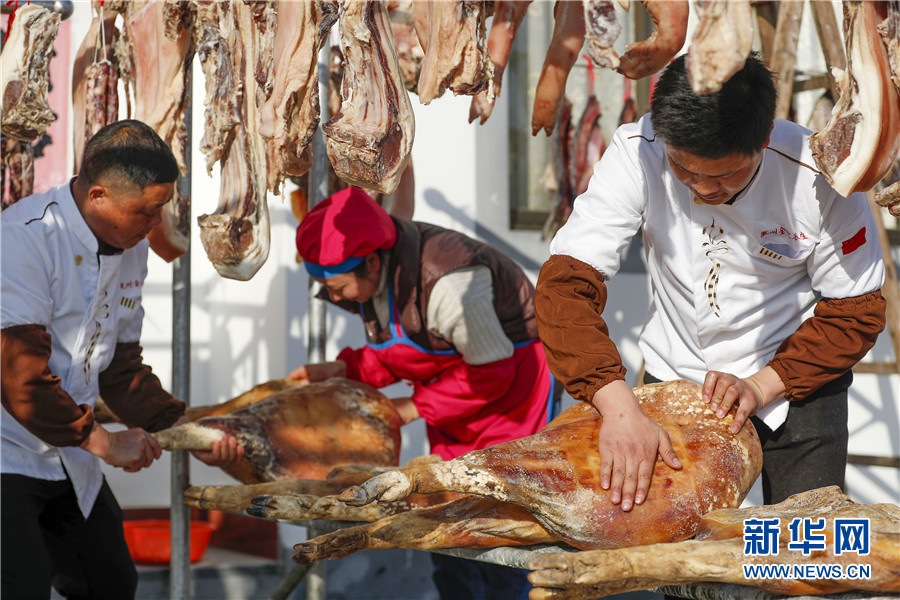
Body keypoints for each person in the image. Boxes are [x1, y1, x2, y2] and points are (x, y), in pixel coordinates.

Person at [535, 53, 886, 512]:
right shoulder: (637, 152)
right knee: (672, 546)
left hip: (794, 384)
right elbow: (564, 289)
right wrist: (618, 406)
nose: (703, 188)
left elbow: (855, 313)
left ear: (763, 138)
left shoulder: (820, 176)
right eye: (684, 170)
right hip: (673, 377)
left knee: (805, 544)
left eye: (724, 174)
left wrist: (761, 385)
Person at [1, 120, 242, 599]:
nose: (155, 224)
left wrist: (183, 429)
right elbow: (18, 378)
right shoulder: (24, 239)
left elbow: (118, 365)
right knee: (20, 587)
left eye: (160, 209)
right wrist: (103, 442)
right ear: (98, 197)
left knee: (110, 582)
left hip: (70, 456)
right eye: (145, 212)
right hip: (7, 451)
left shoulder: (132, 247)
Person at [289, 186, 560, 600]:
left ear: (372, 263)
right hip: (456, 404)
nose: (335, 298)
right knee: (443, 519)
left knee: (499, 526)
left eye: (338, 288)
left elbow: (490, 374)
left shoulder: (450, 283)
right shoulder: (379, 277)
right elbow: (408, 351)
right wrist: (343, 369)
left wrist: (411, 407)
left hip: (511, 399)